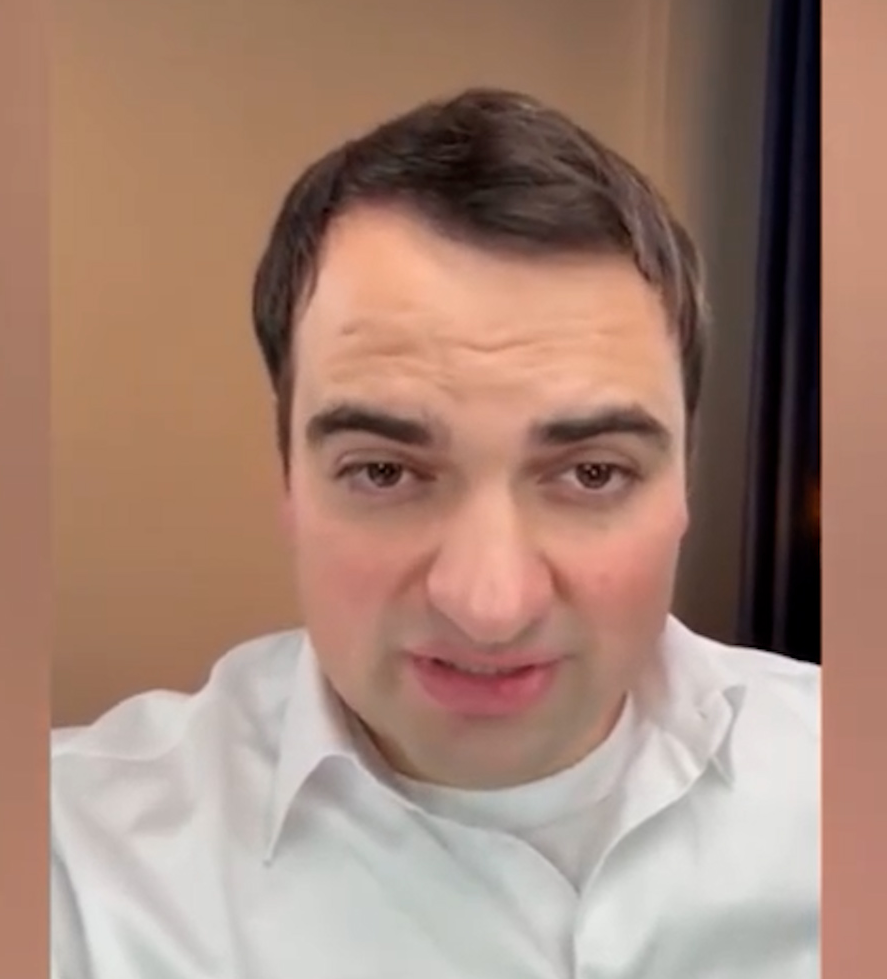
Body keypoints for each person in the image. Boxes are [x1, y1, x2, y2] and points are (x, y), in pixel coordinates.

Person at [49, 89, 820, 979]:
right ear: (290, 480)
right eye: (385, 472)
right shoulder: (69, 868)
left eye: (592, 474)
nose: (490, 606)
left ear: (684, 486)